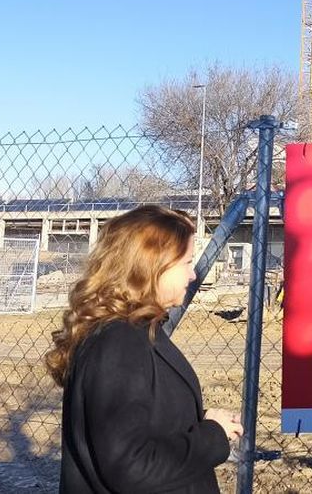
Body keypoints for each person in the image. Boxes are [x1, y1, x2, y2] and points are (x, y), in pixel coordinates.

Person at [46, 205, 242, 494]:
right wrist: (213, 436)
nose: (192, 275)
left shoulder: (135, 331)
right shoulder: (118, 343)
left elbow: (141, 416)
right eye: (186, 262)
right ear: (152, 267)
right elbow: (130, 466)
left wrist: (195, 419)